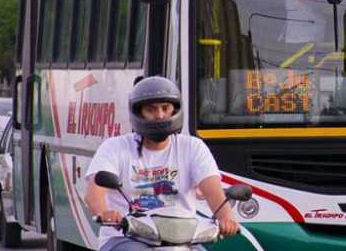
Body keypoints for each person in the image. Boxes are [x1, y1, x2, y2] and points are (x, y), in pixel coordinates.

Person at [84, 76, 240, 251]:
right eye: (151, 110)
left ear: (175, 110)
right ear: (138, 112)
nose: (159, 115)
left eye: (165, 108)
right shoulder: (115, 147)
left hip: (183, 238)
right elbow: (93, 194)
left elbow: (213, 191)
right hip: (126, 237)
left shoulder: (192, 147)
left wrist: (227, 218)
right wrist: (105, 213)